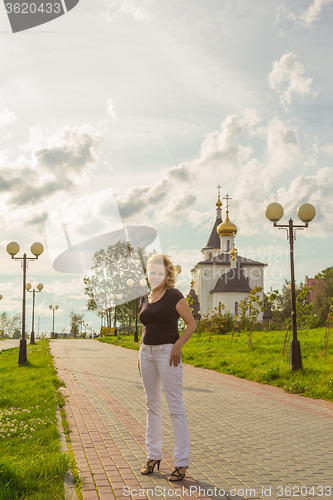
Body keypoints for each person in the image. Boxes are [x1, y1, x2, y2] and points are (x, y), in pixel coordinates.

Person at [138, 253, 196, 481]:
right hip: (147, 354)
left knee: (175, 407)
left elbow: (191, 324)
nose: (155, 276)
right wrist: (139, 353)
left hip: (168, 354)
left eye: (159, 273)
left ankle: (181, 463)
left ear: (167, 275)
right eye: (151, 272)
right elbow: (145, 328)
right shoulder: (145, 298)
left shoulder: (174, 296)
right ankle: (153, 456)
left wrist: (178, 345)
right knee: (152, 406)